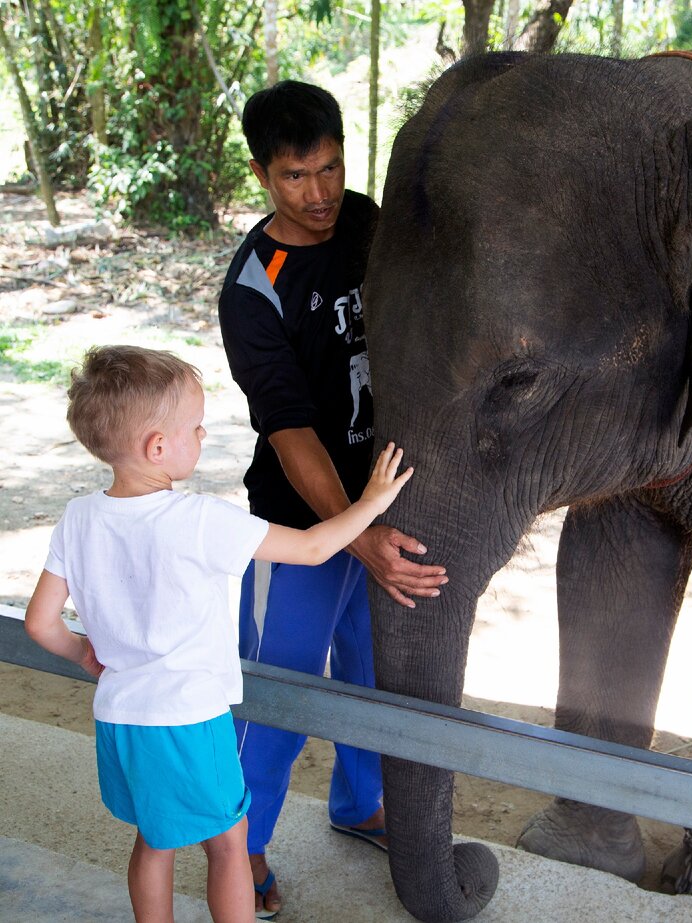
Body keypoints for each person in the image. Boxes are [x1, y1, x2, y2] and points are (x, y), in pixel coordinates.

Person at [23, 344, 413, 923]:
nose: (203, 436)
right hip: (188, 720)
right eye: (196, 427)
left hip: (120, 718)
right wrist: (371, 503)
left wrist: (83, 652)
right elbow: (311, 548)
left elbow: (38, 622)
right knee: (229, 842)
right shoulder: (201, 520)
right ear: (158, 447)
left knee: (154, 840)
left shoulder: (78, 517)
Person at [218, 80, 447, 918]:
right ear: (261, 174)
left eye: (329, 168)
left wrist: (381, 514)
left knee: (372, 672)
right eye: (294, 177)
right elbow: (290, 432)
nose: (318, 195)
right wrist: (353, 534)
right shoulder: (253, 289)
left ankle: (360, 804)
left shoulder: (365, 220)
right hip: (296, 525)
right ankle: (238, 849)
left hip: (380, 501)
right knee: (275, 697)